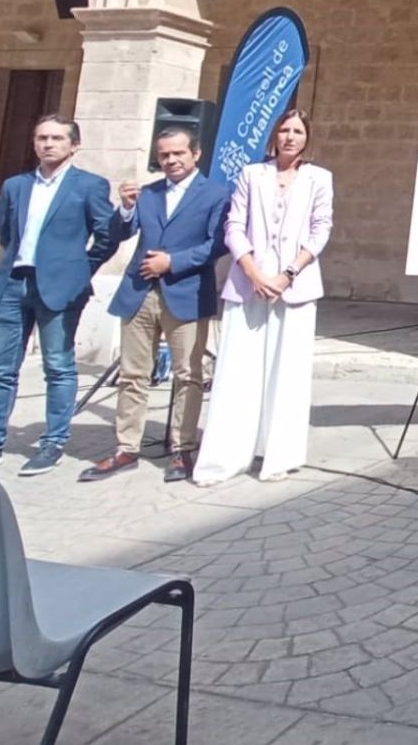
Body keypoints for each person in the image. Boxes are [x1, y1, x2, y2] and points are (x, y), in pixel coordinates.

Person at [0, 114, 119, 475]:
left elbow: (107, 236)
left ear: (74, 145)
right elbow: (5, 233)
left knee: (58, 366)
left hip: (61, 288)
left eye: (57, 138)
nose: (48, 144)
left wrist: (80, 268)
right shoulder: (15, 186)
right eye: (41, 138)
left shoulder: (89, 186)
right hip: (14, 283)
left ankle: (52, 443)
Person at [79, 127, 229, 484]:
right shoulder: (147, 193)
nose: (171, 160)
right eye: (164, 155)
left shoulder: (217, 194)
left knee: (188, 375)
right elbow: (119, 235)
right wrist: (127, 211)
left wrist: (172, 262)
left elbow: (217, 244)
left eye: (178, 153)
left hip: (186, 291)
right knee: (132, 374)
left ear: (196, 154)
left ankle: (181, 448)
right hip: (139, 292)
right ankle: (126, 447)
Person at [192, 109, 333, 485]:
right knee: (238, 370)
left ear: (307, 137)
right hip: (248, 283)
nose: (290, 137)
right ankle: (226, 457)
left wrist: (288, 275)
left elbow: (321, 230)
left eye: (298, 131)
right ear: (275, 135)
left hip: (295, 286)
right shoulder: (252, 174)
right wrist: (253, 272)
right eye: (284, 130)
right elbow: (234, 225)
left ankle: (278, 455)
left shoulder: (319, 178)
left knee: (287, 373)